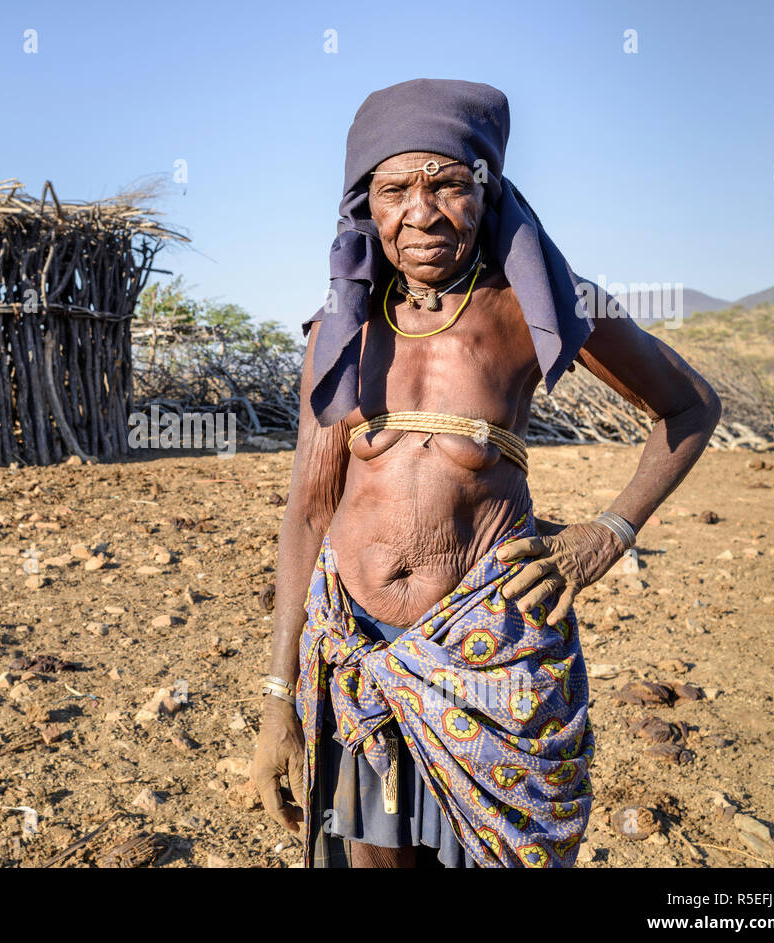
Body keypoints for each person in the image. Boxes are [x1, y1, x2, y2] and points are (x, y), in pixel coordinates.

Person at [251, 79, 721, 868]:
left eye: (446, 184)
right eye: (395, 190)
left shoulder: (528, 308)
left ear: (486, 187)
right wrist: (276, 701)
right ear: (367, 207)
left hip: (486, 660)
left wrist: (606, 534)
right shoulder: (343, 332)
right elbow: (306, 512)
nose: (422, 212)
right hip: (357, 651)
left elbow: (689, 406)